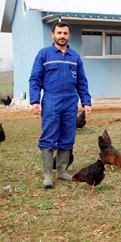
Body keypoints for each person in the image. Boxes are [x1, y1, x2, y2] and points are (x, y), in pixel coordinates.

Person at [29, 21, 92, 188]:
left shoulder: (75, 57)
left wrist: (86, 101)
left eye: (65, 33)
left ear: (69, 35)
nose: (62, 36)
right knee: (49, 136)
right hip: (51, 101)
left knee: (67, 137)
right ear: (53, 35)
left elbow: (82, 82)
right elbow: (35, 79)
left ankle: (62, 171)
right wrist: (35, 101)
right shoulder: (44, 55)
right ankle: (48, 175)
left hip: (70, 102)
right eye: (59, 33)